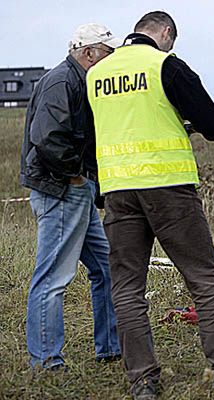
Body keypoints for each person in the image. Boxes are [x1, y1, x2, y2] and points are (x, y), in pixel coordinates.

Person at [86, 11, 214, 399]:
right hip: (168, 188)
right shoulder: (166, 65)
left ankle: (143, 382)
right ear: (165, 33)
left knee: (127, 289)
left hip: (118, 191)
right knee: (205, 280)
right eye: (171, 40)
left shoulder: (97, 74)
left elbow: (91, 133)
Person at [20, 23, 122, 370]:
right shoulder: (62, 81)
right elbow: (47, 138)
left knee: (108, 267)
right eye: (107, 54)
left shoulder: (79, 81)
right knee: (53, 277)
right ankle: (47, 361)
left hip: (75, 191)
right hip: (61, 190)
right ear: (88, 52)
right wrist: (76, 177)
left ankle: (110, 347)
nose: (111, 61)